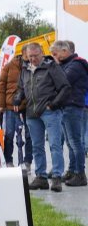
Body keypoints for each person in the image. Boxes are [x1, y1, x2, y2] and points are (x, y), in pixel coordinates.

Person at [13, 42, 71, 191]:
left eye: (35, 56)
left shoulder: (51, 67)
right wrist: (18, 98)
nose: (32, 59)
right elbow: (21, 88)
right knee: (37, 146)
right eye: (29, 56)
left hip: (50, 111)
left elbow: (65, 88)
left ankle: (57, 177)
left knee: (54, 145)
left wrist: (53, 104)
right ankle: (41, 177)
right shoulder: (25, 69)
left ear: (42, 53)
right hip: (32, 112)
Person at [50, 40, 88, 187]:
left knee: (75, 142)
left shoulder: (76, 65)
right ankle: (73, 170)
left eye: (55, 54)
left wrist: (55, 65)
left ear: (65, 51)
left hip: (73, 106)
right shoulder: (69, 64)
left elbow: (61, 81)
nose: (54, 57)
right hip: (68, 106)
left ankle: (80, 174)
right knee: (70, 143)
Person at [0, 46, 33, 170]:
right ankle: (8, 160)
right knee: (10, 134)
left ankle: (28, 161)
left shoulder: (33, 66)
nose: (32, 57)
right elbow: (1, 86)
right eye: (29, 54)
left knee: (29, 134)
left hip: (28, 105)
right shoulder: (9, 66)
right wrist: (1, 105)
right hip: (11, 105)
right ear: (24, 53)